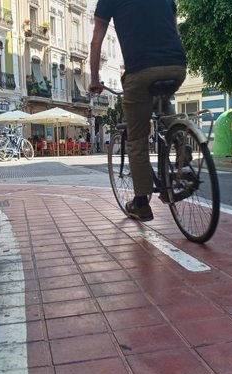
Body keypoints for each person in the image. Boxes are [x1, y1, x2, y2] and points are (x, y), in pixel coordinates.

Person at [89, 0, 187, 222]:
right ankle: (181, 139)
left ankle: (141, 203)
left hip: (141, 70)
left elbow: (96, 42)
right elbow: (175, 31)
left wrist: (94, 78)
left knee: (137, 140)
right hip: (177, 65)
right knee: (162, 99)